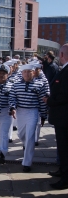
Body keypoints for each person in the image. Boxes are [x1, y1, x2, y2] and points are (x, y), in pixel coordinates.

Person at [9, 64, 48, 172]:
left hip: (33, 112)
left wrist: (43, 115)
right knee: (21, 134)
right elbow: (12, 97)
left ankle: (27, 163)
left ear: (33, 72)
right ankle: (26, 145)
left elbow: (42, 101)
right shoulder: (16, 85)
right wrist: (12, 107)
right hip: (21, 111)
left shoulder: (39, 84)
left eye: (28, 72)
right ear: (22, 73)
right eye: (24, 72)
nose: (26, 74)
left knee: (30, 137)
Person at [45, 44, 68, 190]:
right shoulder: (64, 69)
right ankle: (62, 171)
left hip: (64, 117)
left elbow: (65, 95)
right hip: (61, 117)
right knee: (62, 148)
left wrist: (50, 101)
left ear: (62, 55)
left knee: (65, 149)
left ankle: (65, 178)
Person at [0, 64, 13, 164]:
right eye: (0, 73)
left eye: (4, 74)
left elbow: (13, 98)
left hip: (6, 111)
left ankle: (3, 154)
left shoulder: (11, 85)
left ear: (7, 75)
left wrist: (13, 108)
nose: (1, 75)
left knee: (4, 133)